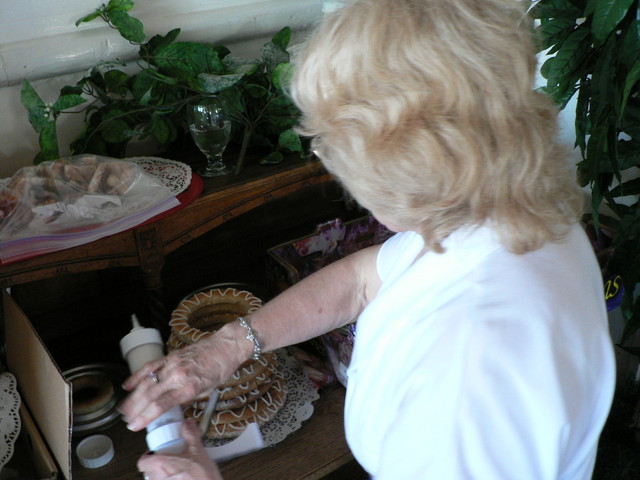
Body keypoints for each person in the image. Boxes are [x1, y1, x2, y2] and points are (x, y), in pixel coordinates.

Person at [119, 0, 616, 478]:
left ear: (408, 172)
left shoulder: (473, 365)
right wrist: (226, 347)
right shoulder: (505, 211)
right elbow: (363, 279)